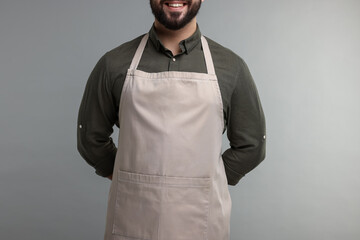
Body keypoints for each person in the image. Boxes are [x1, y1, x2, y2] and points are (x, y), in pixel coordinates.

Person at [77, 0, 266, 239]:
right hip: (132, 219)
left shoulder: (231, 67)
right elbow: (90, 137)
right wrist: (131, 178)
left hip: (201, 222)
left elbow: (252, 145)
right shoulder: (114, 63)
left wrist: (207, 183)